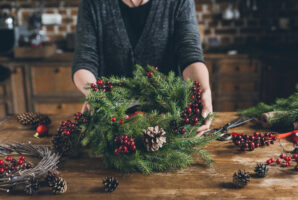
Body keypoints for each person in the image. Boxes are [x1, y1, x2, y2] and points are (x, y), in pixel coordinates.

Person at [72, 0, 212, 137]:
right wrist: (94, 94)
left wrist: (203, 88)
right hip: (114, 121)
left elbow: (190, 52)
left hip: (169, 122)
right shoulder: (92, 4)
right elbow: (84, 60)